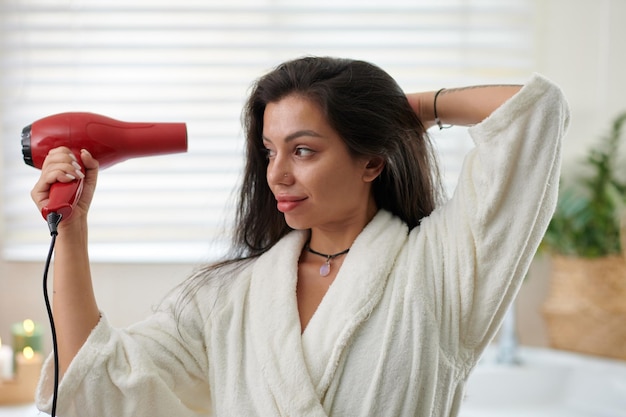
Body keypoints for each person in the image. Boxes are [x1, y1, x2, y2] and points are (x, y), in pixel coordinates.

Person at [31, 56, 569, 416]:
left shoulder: (440, 269)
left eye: (304, 150)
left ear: (371, 162)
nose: (276, 175)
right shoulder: (228, 297)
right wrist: (73, 231)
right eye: (270, 151)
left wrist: (409, 110)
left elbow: (533, 113)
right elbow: (93, 384)